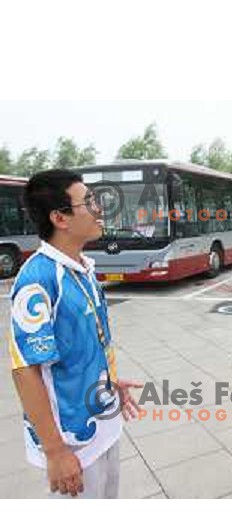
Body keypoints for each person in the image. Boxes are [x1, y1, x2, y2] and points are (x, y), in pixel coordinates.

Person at [9, 169, 142, 498]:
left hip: (104, 424)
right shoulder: (38, 279)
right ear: (60, 218)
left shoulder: (84, 268)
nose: (99, 209)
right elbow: (26, 369)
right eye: (89, 202)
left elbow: (86, 344)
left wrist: (108, 381)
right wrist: (55, 452)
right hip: (73, 443)